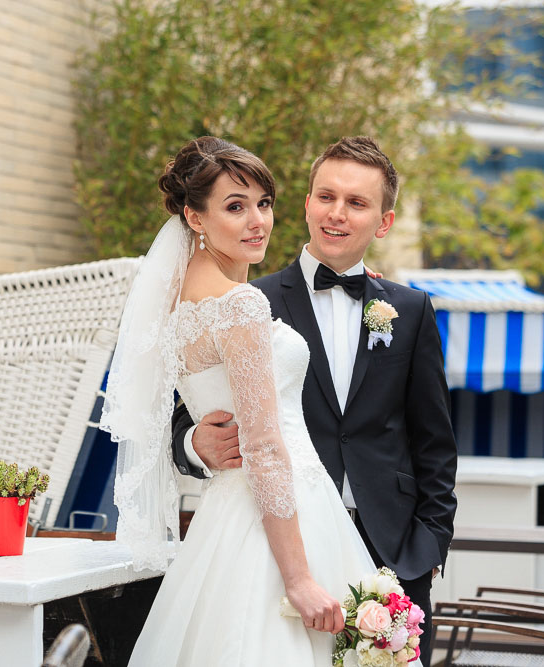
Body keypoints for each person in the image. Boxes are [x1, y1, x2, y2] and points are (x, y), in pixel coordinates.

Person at [101, 137, 407, 666]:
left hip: (228, 521)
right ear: (195, 217)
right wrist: (299, 580)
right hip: (284, 520)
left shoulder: (175, 303)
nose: (257, 221)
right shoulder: (241, 304)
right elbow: (264, 446)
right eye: (235, 207)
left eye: (263, 204)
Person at [170, 136, 458, 666]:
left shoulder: (412, 310)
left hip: (393, 552)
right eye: (325, 197)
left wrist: (430, 545)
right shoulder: (251, 298)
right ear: (306, 204)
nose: (337, 214)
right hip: (276, 539)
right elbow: (187, 408)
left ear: (384, 221)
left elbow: (434, 439)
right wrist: (194, 444)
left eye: (357, 203)